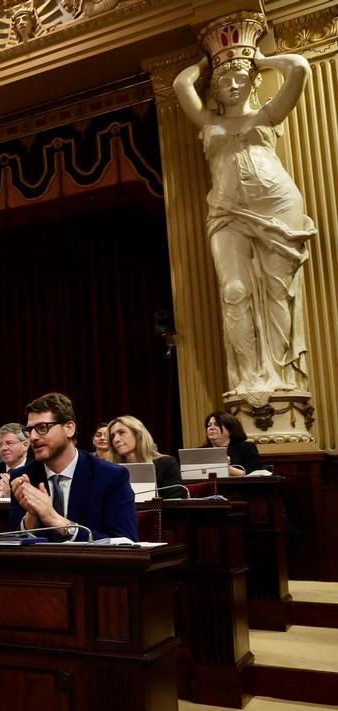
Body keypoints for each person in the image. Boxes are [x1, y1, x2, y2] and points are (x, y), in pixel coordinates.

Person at [174, 43, 315, 395]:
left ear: (252, 82)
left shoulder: (267, 114)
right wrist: (208, 65)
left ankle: (282, 379)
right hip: (225, 210)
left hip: (277, 204)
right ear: (216, 89)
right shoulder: (209, 120)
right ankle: (249, 378)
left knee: (277, 292)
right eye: (226, 82)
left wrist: (261, 60)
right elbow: (180, 85)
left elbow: (298, 67)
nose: (234, 85)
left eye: (241, 78)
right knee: (234, 291)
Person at [9, 392, 137, 541]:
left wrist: (59, 523)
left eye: (42, 427)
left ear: (69, 428)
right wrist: (31, 519)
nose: (33, 437)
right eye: (29, 430)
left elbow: (125, 542)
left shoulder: (110, 476)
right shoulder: (24, 478)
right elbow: (11, 542)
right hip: (40, 564)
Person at [107, 416, 186, 499]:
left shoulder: (166, 464)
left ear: (138, 434)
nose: (116, 439)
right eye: (112, 436)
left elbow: (173, 503)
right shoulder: (113, 470)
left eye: (122, 432)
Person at [204, 411, 263, 475]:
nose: (211, 428)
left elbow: (256, 473)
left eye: (217, 425)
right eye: (209, 425)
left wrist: (226, 468)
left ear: (230, 430)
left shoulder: (246, 447)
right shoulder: (201, 451)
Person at [0, 423, 30, 497]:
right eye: (0, 444)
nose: (3, 448)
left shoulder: (39, 471)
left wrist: (11, 497)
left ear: (25, 445)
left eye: (9, 443)